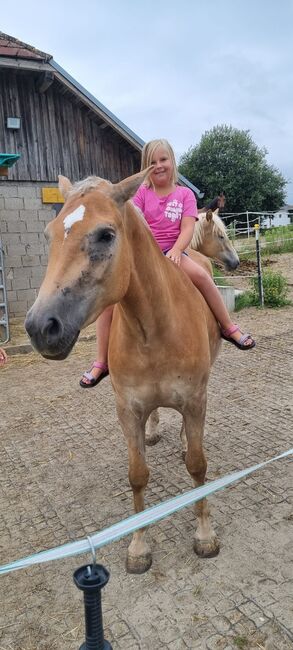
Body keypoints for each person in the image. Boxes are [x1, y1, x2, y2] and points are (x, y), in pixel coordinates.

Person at [80, 139, 255, 387]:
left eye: (163, 160)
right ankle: (101, 361)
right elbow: (137, 228)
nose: (159, 166)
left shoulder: (185, 195)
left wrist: (176, 250)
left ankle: (227, 326)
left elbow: (187, 229)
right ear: (146, 167)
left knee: (204, 277)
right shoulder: (140, 195)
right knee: (109, 302)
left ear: (173, 162)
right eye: (152, 162)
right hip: (144, 259)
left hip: (173, 253)